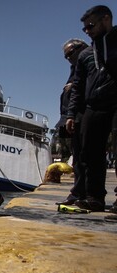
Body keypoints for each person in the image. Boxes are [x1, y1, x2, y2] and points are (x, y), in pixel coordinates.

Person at [66, 5, 117, 212]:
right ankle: (95, 197)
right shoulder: (87, 54)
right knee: (90, 153)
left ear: (106, 19)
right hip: (94, 106)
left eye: (90, 26)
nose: (88, 31)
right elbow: (77, 85)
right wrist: (71, 113)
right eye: (84, 29)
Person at [56, 39, 89, 206]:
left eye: (70, 53)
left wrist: (75, 85)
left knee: (84, 157)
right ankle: (78, 192)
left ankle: (82, 194)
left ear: (81, 47)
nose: (68, 57)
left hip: (81, 115)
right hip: (73, 116)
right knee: (78, 157)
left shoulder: (88, 63)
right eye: (65, 55)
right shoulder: (75, 68)